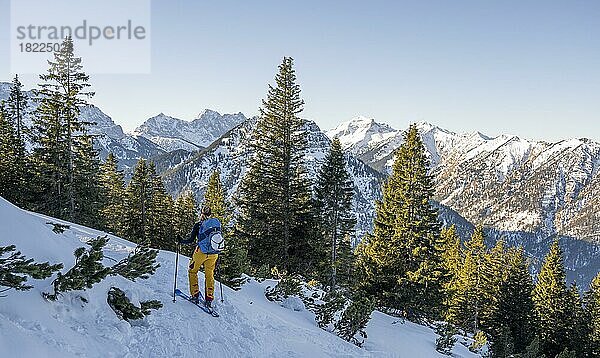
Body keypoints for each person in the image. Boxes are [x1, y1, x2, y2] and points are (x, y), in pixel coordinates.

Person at [178, 205, 220, 308]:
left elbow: (191, 240)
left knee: (192, 271)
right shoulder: (215, 225)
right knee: (209, 275)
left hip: (200, 252)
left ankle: (195, 295)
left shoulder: (198, 225)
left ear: (201, 213)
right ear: (210, 214)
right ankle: (209, 298)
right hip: (214, 253)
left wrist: (180, 240)